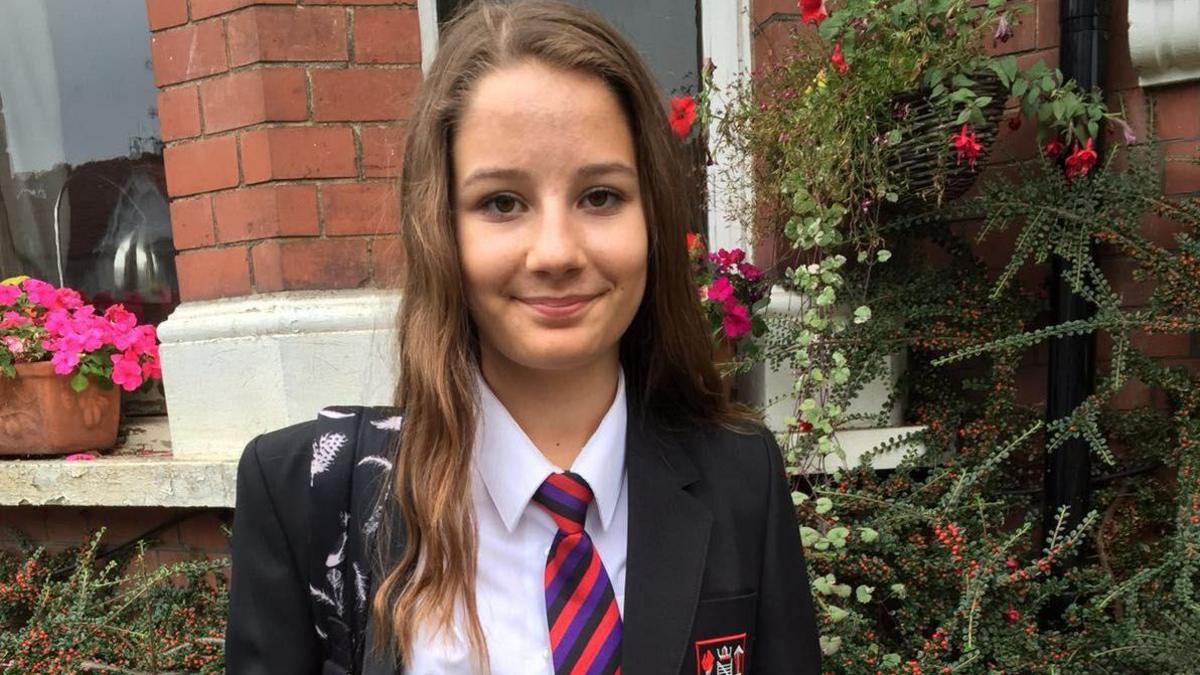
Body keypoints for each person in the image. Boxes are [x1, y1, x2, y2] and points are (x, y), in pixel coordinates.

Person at [225, 1, 821, 673]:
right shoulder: (307, 496)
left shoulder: (740, 478)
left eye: (600, 196)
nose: (556, 252)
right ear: (440, 229)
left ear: (652, 215)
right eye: (502, 203)